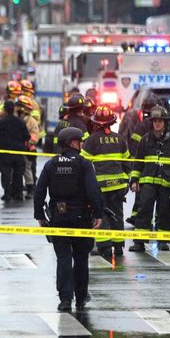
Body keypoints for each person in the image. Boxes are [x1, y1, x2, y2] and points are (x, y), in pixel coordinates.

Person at [33, 127, 107, 312]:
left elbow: (39, 191)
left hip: (58, 218)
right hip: (81, 218)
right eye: (78, 140)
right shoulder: (84, 163)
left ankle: (65, 299)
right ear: (70, 142)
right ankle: (81, 297)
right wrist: (99, 214)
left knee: (63, 259)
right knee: (81, 258)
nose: (81, 143)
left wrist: (40, 216)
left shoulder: (51, 164)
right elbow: (93, 191)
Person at [129, 106, 170, 252]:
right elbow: (138, 162)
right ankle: (139, 241)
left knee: (165, 211)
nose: (157, 123)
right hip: (148, 182)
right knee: (144, 210)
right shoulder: (145, 139)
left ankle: (163, 241)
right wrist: (134, 180)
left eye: (160, 121)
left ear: (165, 122)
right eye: (155, 121)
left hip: (167, 183)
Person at [82, 105, 132, 258]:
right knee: (117, 214)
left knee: (101, 214)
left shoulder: (92, 140)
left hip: (101, 187)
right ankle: (118, 246)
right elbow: (128, 163)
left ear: (96, 123)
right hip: (119, 186)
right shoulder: (120, 139)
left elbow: (84, 164)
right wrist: (125, 180)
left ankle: (104, 246)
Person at [0, 100, 30, 202]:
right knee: (18, 174)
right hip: (19, 152)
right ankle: (18, 194)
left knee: (6, 173)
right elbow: (27, 136)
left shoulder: (1, 122)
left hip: (5, 152)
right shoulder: (20, 122)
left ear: (5, 110)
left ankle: (7, 194)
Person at [17, 95, 42, 199]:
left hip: (27, 149)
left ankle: (30, 189)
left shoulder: (31, 121)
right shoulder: (17, 119)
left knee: (27, 169)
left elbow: (35, 135)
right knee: (17, 170)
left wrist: (28, 143)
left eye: (19, 105)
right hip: (17, 149)